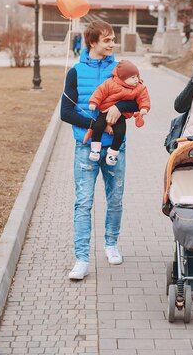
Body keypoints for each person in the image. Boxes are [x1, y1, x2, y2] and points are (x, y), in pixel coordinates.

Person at [60, 20, 139, 280]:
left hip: (116, 147)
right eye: (107, 39)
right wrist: (95, 124)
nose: (112, 44)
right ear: (92, 42)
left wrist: (119, 107)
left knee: (115, 199)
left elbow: (139, 97)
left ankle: (111, 244)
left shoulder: (121, 69)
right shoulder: (75, 72)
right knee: (83, 203)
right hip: (85, 148)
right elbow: (66, 112)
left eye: (113, 38)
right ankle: (81, 259)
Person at [86, 60, 151, 166]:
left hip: (121, 115)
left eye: (137, 76)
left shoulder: (139, 87)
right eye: (132, 77)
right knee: (98, 126)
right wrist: (94, 102)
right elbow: (99, 92)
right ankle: (95, 149)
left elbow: (144, 98)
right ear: (123, 78)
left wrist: (144, 108)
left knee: (120, 132)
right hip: (105, 111)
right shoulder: (110, 83)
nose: (136, 79)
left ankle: (113, 153)